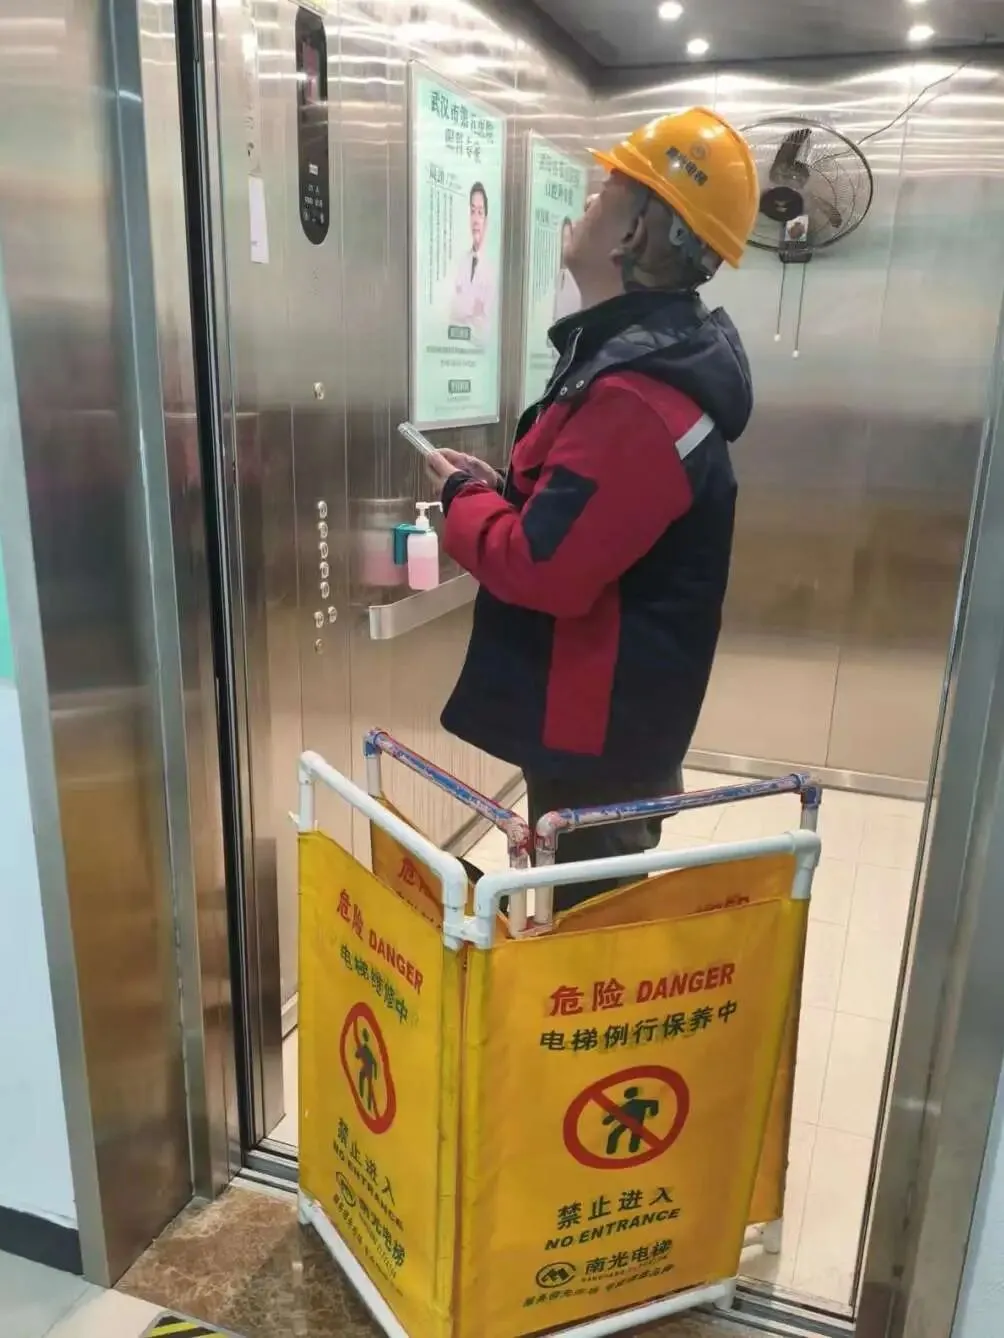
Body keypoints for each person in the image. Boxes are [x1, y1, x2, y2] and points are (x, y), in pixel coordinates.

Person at [425, 108, 760, 913]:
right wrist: (507, 493)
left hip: (600, 729)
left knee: (587, 932)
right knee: (577, 912)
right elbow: (587, 523)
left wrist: (461, 503)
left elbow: (544, 567)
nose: (586, 201)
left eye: (610, 188)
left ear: (636, 233)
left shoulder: (638, 400)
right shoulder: (635, 368)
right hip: (603, 718)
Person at [449, 181, 496, 338]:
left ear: (486, 220)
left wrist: (464, 307)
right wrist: (473, 308)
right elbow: (453, 311)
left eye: (480, 213)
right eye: (472, 212)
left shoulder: (492, 269)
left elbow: (487, 329)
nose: (475, 219)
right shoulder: (461, 262)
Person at [553, 217, 582, 321]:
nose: (565, 244)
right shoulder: (560, 274)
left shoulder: (577, 275)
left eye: (568, 239)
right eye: (563, 239)